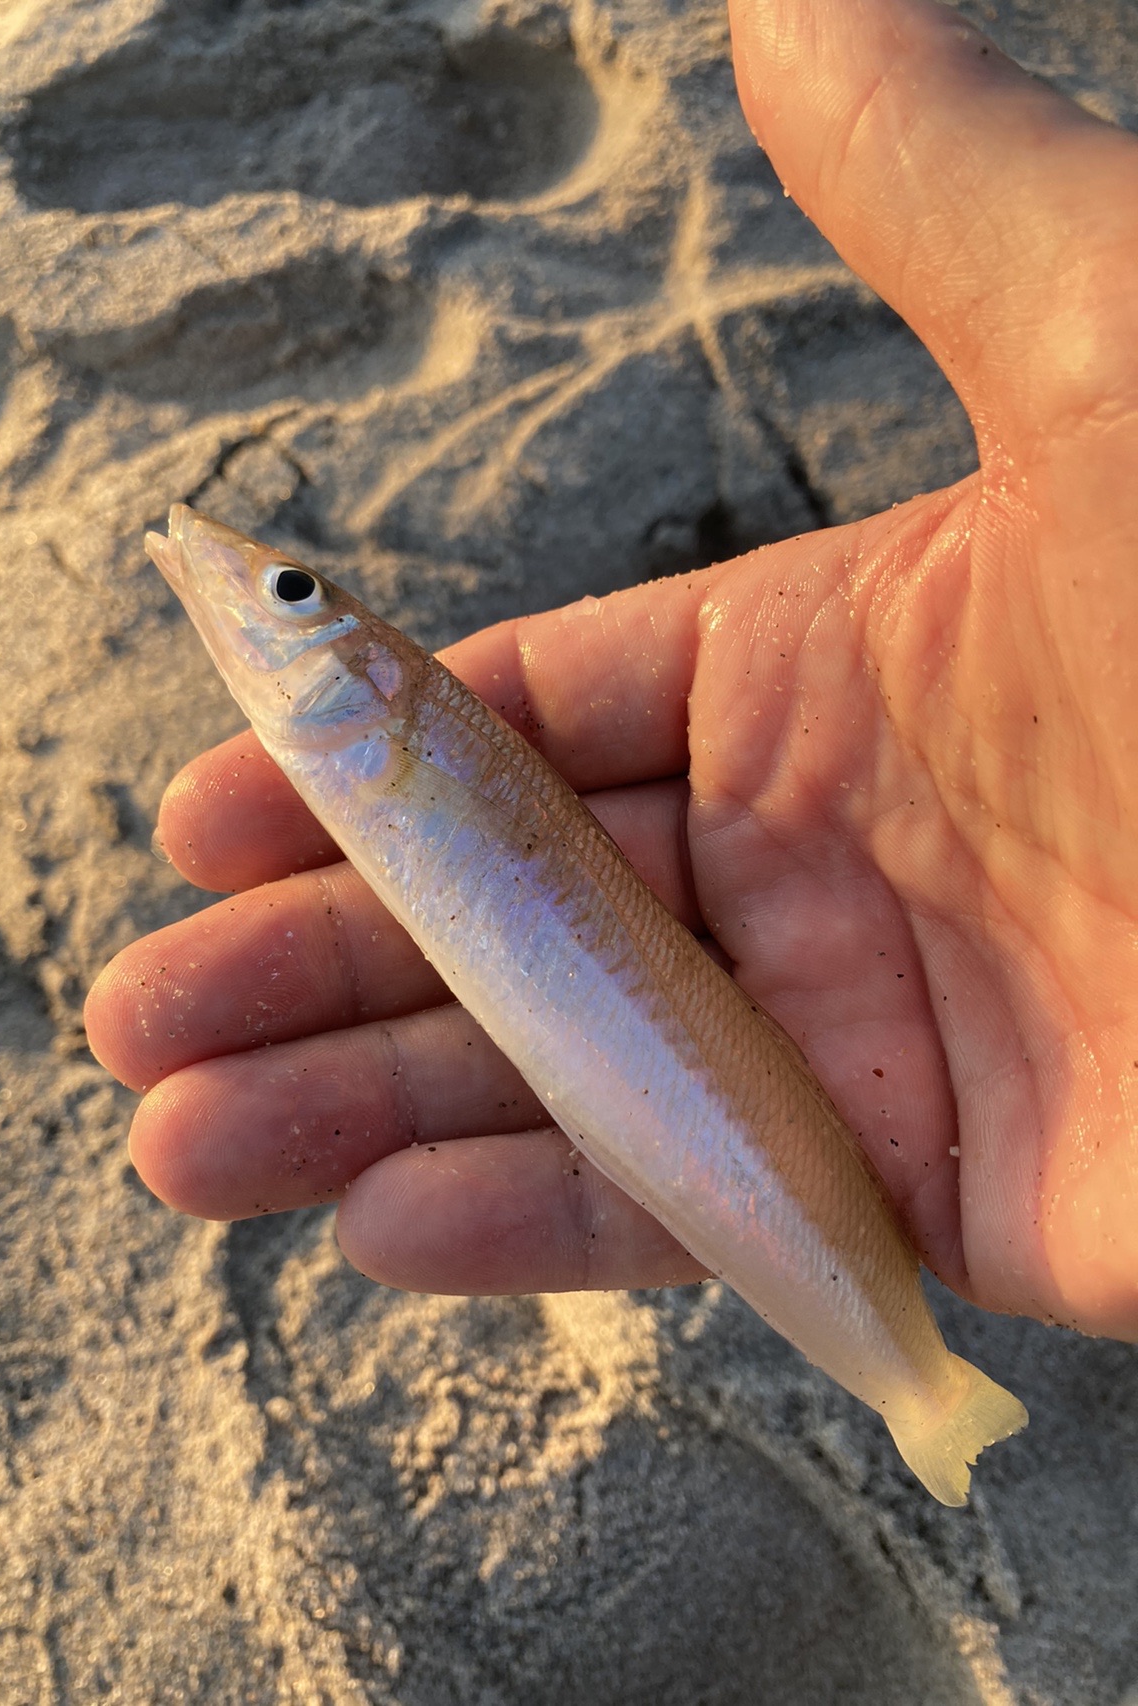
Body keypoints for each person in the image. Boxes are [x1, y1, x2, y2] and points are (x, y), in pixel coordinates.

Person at [85, 0, 1138, 1342]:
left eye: (296, 594)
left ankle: (907, 1370)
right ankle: (900, 1365)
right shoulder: (358, 741)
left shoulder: (382, 721)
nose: (266, 594)